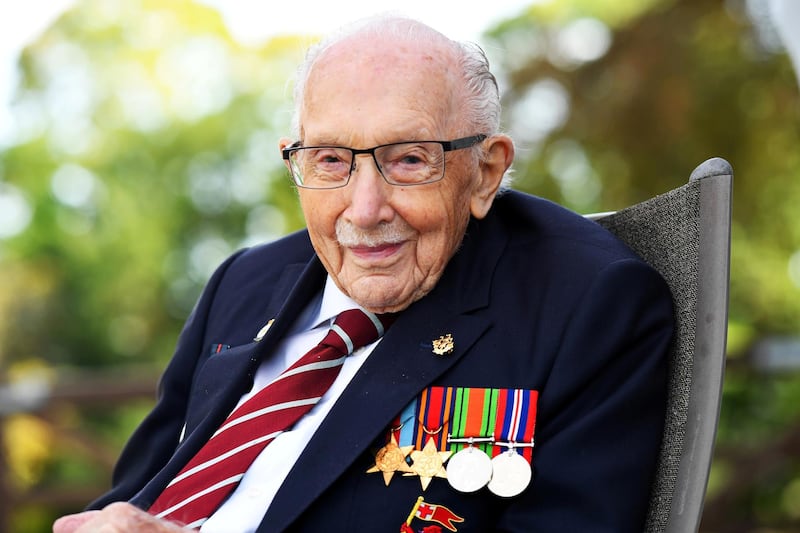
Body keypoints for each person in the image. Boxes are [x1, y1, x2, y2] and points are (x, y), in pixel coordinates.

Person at [53, 14, 673, 533]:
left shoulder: (588, 304)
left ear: (485, 172)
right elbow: (133, 500)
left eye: (408, 159)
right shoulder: (241, 283)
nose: (365, 208)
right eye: (330, 160)